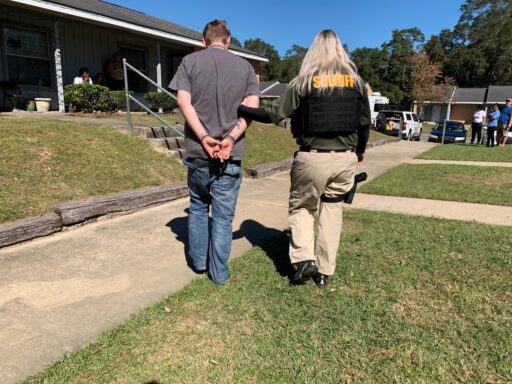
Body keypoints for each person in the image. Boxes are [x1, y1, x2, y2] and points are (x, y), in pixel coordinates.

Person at [270, 30, 370, 288]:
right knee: (332, 210)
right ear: (340, 50)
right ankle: (324, 271)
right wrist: (359, 151)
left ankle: (304, 260)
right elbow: (364, 124)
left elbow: (274, 113)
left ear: (313, 50)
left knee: (303, 207)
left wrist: (241, 109)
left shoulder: (303, 82)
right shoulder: (358, 84)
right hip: (346, 158)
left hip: (312, 158)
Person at [168, 20, 259, 285]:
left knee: (197, 207)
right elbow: (251, 105)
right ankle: (218, 273)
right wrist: (230, 137)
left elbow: (183, 102)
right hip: (230, 154)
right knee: (222, 216)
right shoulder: (245, 68)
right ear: (228, 40)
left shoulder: (189, 62)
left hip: (198, 152)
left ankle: (197, 263)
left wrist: (205, 137)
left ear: (204, 41)